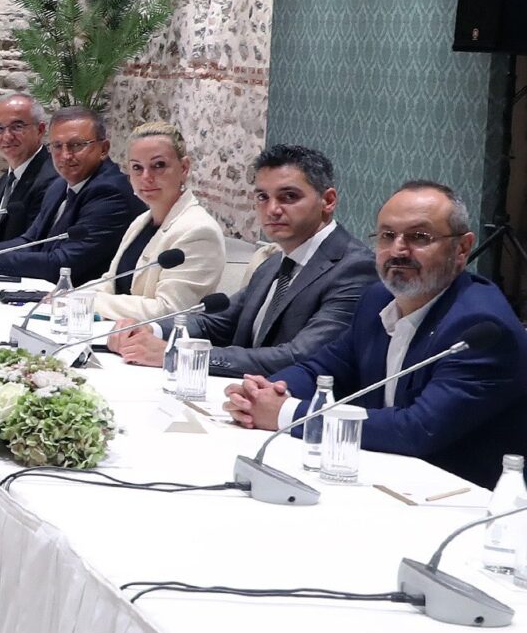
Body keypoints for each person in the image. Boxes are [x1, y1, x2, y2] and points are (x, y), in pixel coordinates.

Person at [226, 181, 527, 487]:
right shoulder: (377, 299)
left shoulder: (481, 328)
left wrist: (287, 412)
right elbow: (322, 369)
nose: (398, 250)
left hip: (460, 496)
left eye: (419, 237)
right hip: (383, 476)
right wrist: (265, 393)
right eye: (387, 236)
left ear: (461, 248)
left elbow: (416, 429)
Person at [109, 144, 374, 377]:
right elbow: (214, 322)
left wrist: (179, 354)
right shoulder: (274, 263)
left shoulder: (353, 269)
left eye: (289, 197)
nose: (272, 209)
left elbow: (298, 357)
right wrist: (150, 330)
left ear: (328, 201)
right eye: (263, 197)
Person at [0, 106, 140, 284]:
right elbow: (31, 241)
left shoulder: (110, 193)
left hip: (84, 300)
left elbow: (62, 264)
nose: (65, 155)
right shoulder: (60, 184)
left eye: (76, 145)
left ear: (103, 149)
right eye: (57, 146)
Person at [89, 121, 229, 324]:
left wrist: (91, 301)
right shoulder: (140, 222)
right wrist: (67, 296)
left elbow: (169, 311)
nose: (146, 177)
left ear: (184, 168)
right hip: (117, 333)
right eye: (137, 168)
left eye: (159, 165)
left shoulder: (199, 231)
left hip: (163, 341)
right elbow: (110, 283)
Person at [0, 93, 55, 244]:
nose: (7, 136)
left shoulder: (50, 180)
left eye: (17, 127)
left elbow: (33, 243)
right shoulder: (6, 179)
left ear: (40, 130)